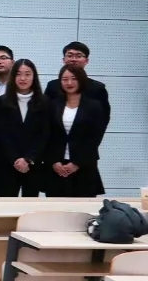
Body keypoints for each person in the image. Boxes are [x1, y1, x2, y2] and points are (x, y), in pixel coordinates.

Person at [45, 65, 106, 197]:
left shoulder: (94, 106)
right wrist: (54, 161)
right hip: (57, 166)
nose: (69, 83)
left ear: (81, 80)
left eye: (74, 79)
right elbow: (47, 135)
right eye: (64, 79)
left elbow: (94, 138)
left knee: (83, 207)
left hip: (84, 166)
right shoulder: (52, 105)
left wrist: (77, 163)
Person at [0, 59, 49, 198]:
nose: (23, 78)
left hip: (33, 164)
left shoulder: (44, 102)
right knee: (6, 203)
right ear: (13, 77)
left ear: (34, 77)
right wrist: (15, 159)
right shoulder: (2, 101)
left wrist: (28, 159)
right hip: (8, 164)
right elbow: (1, 134)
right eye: (18, 74)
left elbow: (44, 134)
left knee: (30, 205)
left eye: (27, 74)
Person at [44, 42, 110, 127]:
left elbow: (104, 118)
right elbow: (45, 114)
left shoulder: (98, 88)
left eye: (79, 56)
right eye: (70, 55)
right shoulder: (52, 86)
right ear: (63, 60)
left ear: (86, 61)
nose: (74, 59)